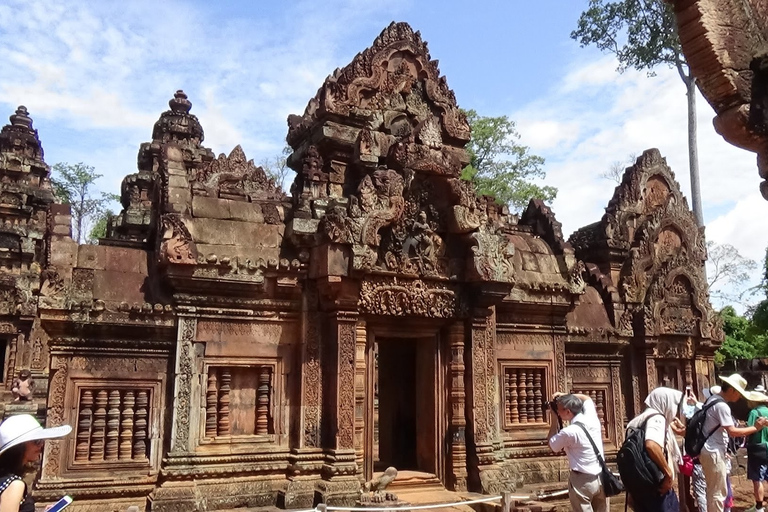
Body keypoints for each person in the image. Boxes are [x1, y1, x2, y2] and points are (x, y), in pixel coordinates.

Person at [700, 374, 768, 512]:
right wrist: (756, 427)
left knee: (715, 490)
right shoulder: (721, 405)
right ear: (732, 390)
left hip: (711, 449)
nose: (740, 398)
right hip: (714, 451)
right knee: (718, 493)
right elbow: (733, 431)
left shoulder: (712, 400)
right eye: (739, 393)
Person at [625, 387, 686, 512]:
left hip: (640, 485)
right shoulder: (657, 419)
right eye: (674, 405)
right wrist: (668, 474)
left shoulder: (635, 422)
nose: (675, 411)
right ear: (665, 402)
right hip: (657, 486)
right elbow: (651, 445)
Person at [548, 392, 607, 512]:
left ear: (568, 412)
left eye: (559, 410)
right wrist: (566, 395)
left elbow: (553, 445)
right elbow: (587, 398)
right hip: (600, 477)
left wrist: (554, 419)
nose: (558, 412)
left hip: (582, 481)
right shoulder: (592, 418)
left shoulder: (570, 432)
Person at [0, 414, 71, 512]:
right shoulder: (15, 485)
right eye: (36, 441)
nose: (41, 445)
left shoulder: (5, 479)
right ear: (20, 447)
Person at [746, 389, 768, 512]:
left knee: (757, 479)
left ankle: (759, 507)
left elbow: (750, 429)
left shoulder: (754, 412)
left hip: (758, 449)